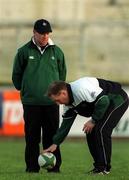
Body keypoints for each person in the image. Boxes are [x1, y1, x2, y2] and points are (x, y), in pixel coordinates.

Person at [12, 19, 67, 173]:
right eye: (42, 33)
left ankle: (54, 168)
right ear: (34, 32)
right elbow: (17, 75)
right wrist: (26, 89)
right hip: (31, 103)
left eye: (47, 33)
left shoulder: (57, 52)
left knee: (52, 137)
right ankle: (31, 167)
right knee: (32, 138)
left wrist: (56, 93)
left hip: (51, 103)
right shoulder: (24, 51)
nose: (45, 36)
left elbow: (62, 74)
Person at [44, 77, 129, 175]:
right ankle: (98, 167)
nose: (57, 103)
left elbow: (103, 100)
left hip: (117, 98)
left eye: (57, 100)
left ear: (63, 93)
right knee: (90, 131)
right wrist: (55, 143)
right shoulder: (68, 105)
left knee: (101, 130)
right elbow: (65, 126)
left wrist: (93, 120)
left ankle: (104, 168)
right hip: (105, 104)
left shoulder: (80, 89)